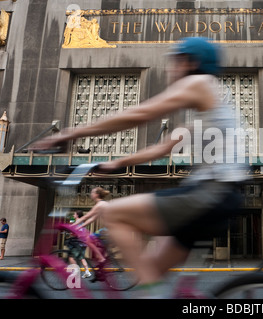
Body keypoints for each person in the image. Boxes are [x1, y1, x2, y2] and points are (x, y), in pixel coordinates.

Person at [30, 37, 247, 297]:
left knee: (113, 214)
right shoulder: (207, 112)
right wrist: (115, 163)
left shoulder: (199, 83)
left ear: (191, 62)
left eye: (174, 62)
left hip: (210, 194)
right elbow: (161, 148)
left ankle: (152, 292)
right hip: (221, 198)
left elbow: (140, 114)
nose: (170, 69)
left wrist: (69, 134)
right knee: (152, 268)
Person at [72, 187, 110, 265]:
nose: (90, 194)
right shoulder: (102, 204)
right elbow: (92, 219)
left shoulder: (100, 205)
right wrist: (79, 226)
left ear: (97, 195)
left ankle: (101, 258)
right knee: (98, 242)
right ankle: (102, 258)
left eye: (92, 192)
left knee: (88, 239)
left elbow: (86, 217)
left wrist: (73, 225)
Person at [66, 211, 92, 278]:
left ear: (77, 215)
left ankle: (75, 271)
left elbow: (77, 232)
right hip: (84, 242)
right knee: (82, 257)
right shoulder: (82, 222)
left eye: (74, 214)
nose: (73, 215)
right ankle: (87, 272)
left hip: (79, 243)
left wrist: (70, 233)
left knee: (71, 257)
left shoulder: (77, 222)